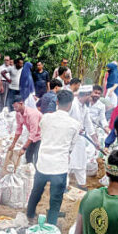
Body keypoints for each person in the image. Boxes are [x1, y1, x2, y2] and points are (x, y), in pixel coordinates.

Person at [27, 89, 81, 225]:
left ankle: (30, 213)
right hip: (59, 166)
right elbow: (71, 147)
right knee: (56, 198)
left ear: (56, 102)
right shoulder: (75, 125)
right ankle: (51, 223)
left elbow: (43, 133)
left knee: (36, 190)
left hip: (43, 163)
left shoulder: (46, 118)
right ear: (70, 105)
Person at [9, 95, 42, 166]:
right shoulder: (18, 114)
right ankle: (29, 172)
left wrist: (24, 148)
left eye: (16, 107)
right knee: (28, 156)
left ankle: (36, 173)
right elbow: (18, 129)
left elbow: (33, 132)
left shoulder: (32, 114)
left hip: (42, 135)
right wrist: (13, 144)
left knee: (37, 157)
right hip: (34, 136)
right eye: (14, 107)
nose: (15, 109)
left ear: (21, 103)